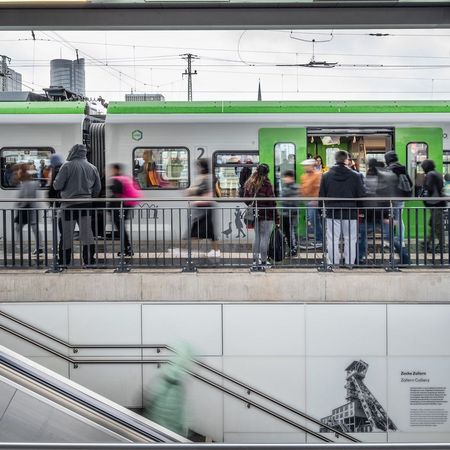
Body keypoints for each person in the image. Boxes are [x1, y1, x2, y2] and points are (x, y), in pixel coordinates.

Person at [53, 144, 101, 266]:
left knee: (67, 234)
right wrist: (90, 198)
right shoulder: (92, 167)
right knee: (87, 233)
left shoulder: (67, 166)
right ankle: (89, 260)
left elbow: (57, 186)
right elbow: (97, 188)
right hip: (86, 206)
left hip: (68, 206)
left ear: (73, 152)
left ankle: (64, 261)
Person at [319, 150, 365, 266]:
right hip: (350, 213)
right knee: (350, 239)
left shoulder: (326, 175)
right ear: (346, 160)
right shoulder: (356, 176)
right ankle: (349, 263)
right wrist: (361, 211)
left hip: (332, 212)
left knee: (332, 239)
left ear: (335, 160)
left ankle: (334, 263)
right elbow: (361, 195)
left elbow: (321, 195)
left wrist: (322, 210)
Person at [244, 163, 277, 267]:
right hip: (267, 215)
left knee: (257, 237)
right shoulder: (267, 184)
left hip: (255, 214)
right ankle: (263, 261)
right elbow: (272, 202)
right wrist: (276, 217)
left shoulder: (250, 182)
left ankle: (255, 261)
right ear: (267, 173)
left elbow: (246, 199)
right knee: (265, 238)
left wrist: (254, 206)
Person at [187, 158, 220, 258]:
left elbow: (199, 190)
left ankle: (188, 251)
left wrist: (190, 192)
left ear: (202, 167)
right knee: (209, 232)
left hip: (204, 208)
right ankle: (216, 251)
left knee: (195, 232)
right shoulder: (208, 177)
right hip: (204, 207)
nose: (197, 168)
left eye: (198, 166)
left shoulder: (205, 178)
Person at [109, 163, 142, 257]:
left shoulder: (116, 179)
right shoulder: (124, 178)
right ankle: (127, 248)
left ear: (115, 169)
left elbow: (116, 195)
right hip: (127, 205)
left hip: (121, 206)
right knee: (121, 227)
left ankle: (126, 249)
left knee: (121, 228)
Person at [384, 151, 413, 252]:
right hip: (401, 198)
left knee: (389, 220)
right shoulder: (402, 168)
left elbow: (386, 185)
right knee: (399, 219)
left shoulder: (389, 169)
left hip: (391, 198)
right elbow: (410, 183)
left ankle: (390, 242)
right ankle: (401, 241)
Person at [14, 163, 44, 256]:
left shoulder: (24, 184)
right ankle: (39, 247)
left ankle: (20, 245)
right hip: (32, 209)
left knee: (19, 228)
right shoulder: (33, 183)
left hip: (26, 209)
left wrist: (19, 204)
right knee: (34, 228)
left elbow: (23, 197)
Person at [421, 159, 446, 253]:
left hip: (435, 203)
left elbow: (428, 187)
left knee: (437, 225)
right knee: (433, 224)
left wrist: (423, 197)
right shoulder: (437, 173)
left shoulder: (430, 174)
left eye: (423, 167)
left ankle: (442, 245)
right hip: (438, 203)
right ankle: (428, 242)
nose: (422, 169)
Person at [300, 159, 322, 248]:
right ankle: (319, 238)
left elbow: (318, 188)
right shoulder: (304, 176)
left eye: (306, 166)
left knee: (313, 220)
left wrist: (316, 200)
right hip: (307, 201)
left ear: (311, 166)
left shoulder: (317, 175)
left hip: (314, 201)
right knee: (313, 220)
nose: (305, 167)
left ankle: (320, 239)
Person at [48, 154, 64, 263]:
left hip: (58, 205)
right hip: (59, 204)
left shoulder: (57, 171)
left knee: (61, 229)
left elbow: (55, 188)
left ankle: (60, 253)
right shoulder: (61, 169)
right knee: (62, 230)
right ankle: (59, 250)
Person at [280, 169, 299, 256]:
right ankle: (291, 247)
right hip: (285, 213)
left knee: (290, 232)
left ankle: (293, 248)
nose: (284, 179)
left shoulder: (294, 187)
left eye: (286, 177)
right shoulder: (286, 187)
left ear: (291, 178)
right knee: (287, 232)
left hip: (290, 213)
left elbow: (291, 201)